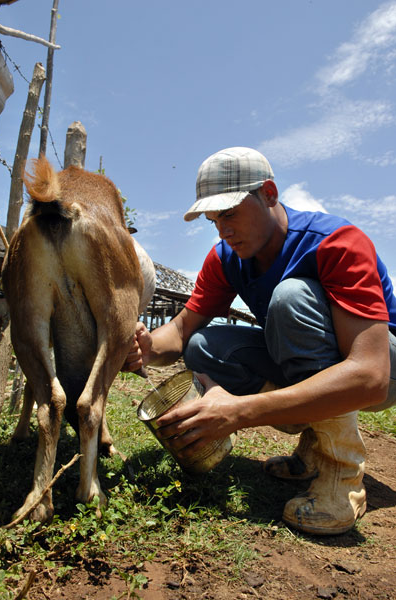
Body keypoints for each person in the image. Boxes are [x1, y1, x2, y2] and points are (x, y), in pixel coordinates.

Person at [125, 146, 396, 536]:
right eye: (213, 220)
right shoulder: (226, 258)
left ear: (269, 193)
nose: (223, 230)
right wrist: (145, 347)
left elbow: (370, 375)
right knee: (203, 346)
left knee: (291, 300)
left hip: (384, 370)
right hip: (334, 368)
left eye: (230, 214)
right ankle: (313, 451)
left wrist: (240, 411)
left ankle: (342, 476)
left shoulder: (336, 243)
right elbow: (182, 331)